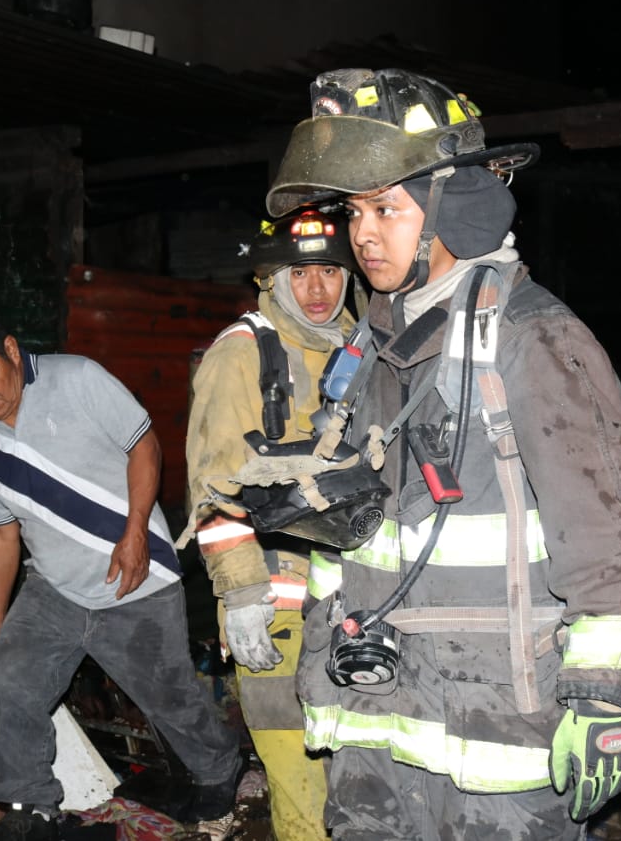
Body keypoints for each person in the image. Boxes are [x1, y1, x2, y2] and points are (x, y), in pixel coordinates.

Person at [261, 67, 621, 840]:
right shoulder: (367, 346)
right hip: (375, 720)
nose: (364, 234)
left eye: (387, 208)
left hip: (499, 736)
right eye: (356, 210)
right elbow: (351, 526)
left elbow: (613, 538)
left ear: (460, 204)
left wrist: (600, 696)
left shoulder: (531, 338)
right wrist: (301, 608)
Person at [0, 304, 241, 841]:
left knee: (169, 698)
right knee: (9, 681)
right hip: (53, 588)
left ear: (10, 350)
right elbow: (0, 532)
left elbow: (144, 446)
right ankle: (31, 805)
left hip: (136, 578)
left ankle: (219, 773)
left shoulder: (77, 378)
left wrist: (136, 530)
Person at [182, 208, 361, 841]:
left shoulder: (363, 347)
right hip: (276, 599)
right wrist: (242, 593)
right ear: (271, 279)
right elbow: (213, 484)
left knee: (359, 773)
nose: (319, 290)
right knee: (297, 770)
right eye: (302, 273)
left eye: (331, 272)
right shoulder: (242, 355)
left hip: (360, 595)